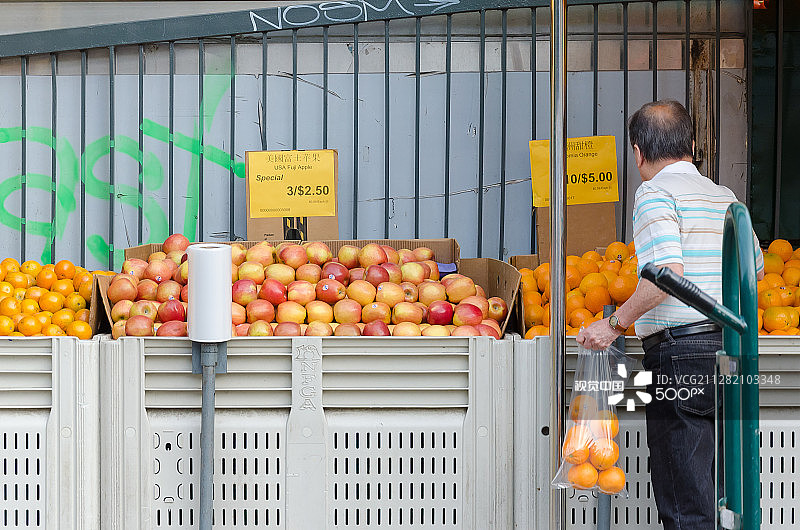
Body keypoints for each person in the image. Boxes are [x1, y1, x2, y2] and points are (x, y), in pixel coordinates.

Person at [576, 99, 764, 530]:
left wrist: (612, 325)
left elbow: (666, 276)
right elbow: (754, 270)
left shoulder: (654, 192)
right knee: (726, 494)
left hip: (680, 356)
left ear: (637, 152)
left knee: (685, 503)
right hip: (731, 352)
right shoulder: (725, 197)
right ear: (693, 145)